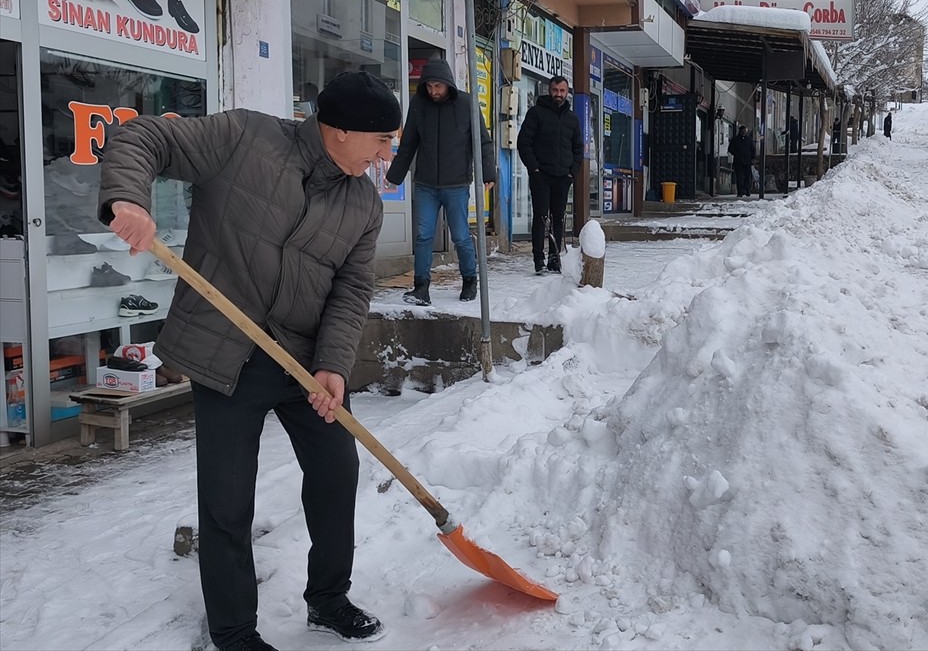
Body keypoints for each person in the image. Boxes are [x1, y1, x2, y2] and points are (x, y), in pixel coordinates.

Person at [99, 71, 401, 651]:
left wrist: (334, 365)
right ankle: (235, 632)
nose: (388, 154)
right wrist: (127, 198)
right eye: (381, 140)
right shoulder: (244, 138)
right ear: (339, 131)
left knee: (337, 472)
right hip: (225, 352)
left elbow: (351, 290)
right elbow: (143, 139)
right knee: (227, 500)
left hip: (303, 362)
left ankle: (329, 598)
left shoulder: (363, 203)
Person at [388, 58, 496, 304]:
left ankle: (470, 280)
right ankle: (421, 287)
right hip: (426, 183)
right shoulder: (418, 104)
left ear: (448, 83)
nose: (433, 91)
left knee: (459, 236)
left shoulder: (466, 104)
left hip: (456, 184)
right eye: (429, 86)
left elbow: (482, 141)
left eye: (438, 86)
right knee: (424, 236)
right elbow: (409, 143)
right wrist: (394, 176)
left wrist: (488, 173)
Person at [516, 75, 583, 274]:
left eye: (562, 91)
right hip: (541, 176)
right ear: (549, 90)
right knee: (541, 217)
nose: (558, 95)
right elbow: (524, 143)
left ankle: (555, 258)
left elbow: (578, 148)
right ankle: (539, 259)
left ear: (567, 92)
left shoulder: (572, 118)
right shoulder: (536, 113)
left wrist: (573, 172)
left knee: (558, 218)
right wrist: (534, 168)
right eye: (555, 90)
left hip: (563, 177)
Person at [728, 125, 755, 197]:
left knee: (747, 177)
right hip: (738, 162)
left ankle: (747, 191)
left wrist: (752, 158)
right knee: (739, 178)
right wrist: (736, 154)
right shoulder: (735, 139)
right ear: (740, 131)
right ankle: (740, 192)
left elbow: (753, 149)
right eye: (742, 131)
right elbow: (730, 149)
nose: (743, 132)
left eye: (744, 131)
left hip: (747, 161)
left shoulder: (749, 139)